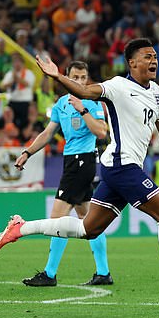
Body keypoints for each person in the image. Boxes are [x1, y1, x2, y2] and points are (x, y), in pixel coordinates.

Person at [0, 38, 159, 299]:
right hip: (121, 164)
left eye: (155, 57)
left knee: (88, 229)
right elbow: (84, 93)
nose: (153, 61)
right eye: (147, 57)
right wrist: (57, 76)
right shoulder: (117, 86)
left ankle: (21, 228)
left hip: (120, 167)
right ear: (132, 62)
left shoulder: (156, 92)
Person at [14, 61, 112, 287]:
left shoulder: (91, 101)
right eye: (75, 77)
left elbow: (101, 132)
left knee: (56, 218)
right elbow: (48, 133)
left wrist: (83, 109)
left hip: (83, 161)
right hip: (72, 163)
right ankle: (103, 272)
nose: (79, 82)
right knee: (89, 221)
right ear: (66, 78)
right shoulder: (60, 104)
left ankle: (49, 274)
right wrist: (27, 152)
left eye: (83, 77)